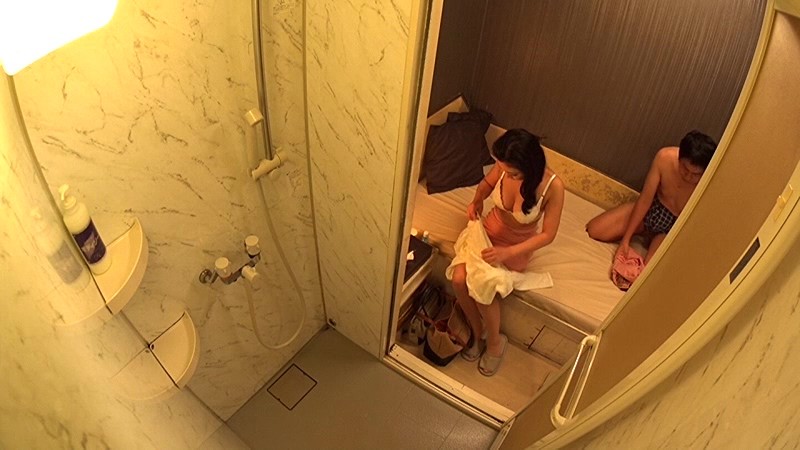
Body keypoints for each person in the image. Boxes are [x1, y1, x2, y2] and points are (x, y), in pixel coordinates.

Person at [450, 129, 565, 376]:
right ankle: (477, 331)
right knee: (458, 279)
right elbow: (487, 184)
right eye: (504, 169)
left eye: (513, 173)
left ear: (530, 166)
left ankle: (495, 342)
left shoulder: (553, 187)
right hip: (486, 233)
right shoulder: (504, 165)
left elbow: (548, 235)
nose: (507, 175)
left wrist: (507, 252)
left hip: (514, 249)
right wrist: (477, 200)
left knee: (483, 287)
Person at [586, 130, 717, 265]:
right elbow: (645, 199)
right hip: (653, 210)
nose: (688, 176)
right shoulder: (665, 158)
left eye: (695, 174)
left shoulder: (710, 181)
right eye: (685, 168)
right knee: (595, 230)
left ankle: (654, 240)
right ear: (679, 157)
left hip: (672, 227)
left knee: (649, 269)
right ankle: (642, 232)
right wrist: (625, 241)